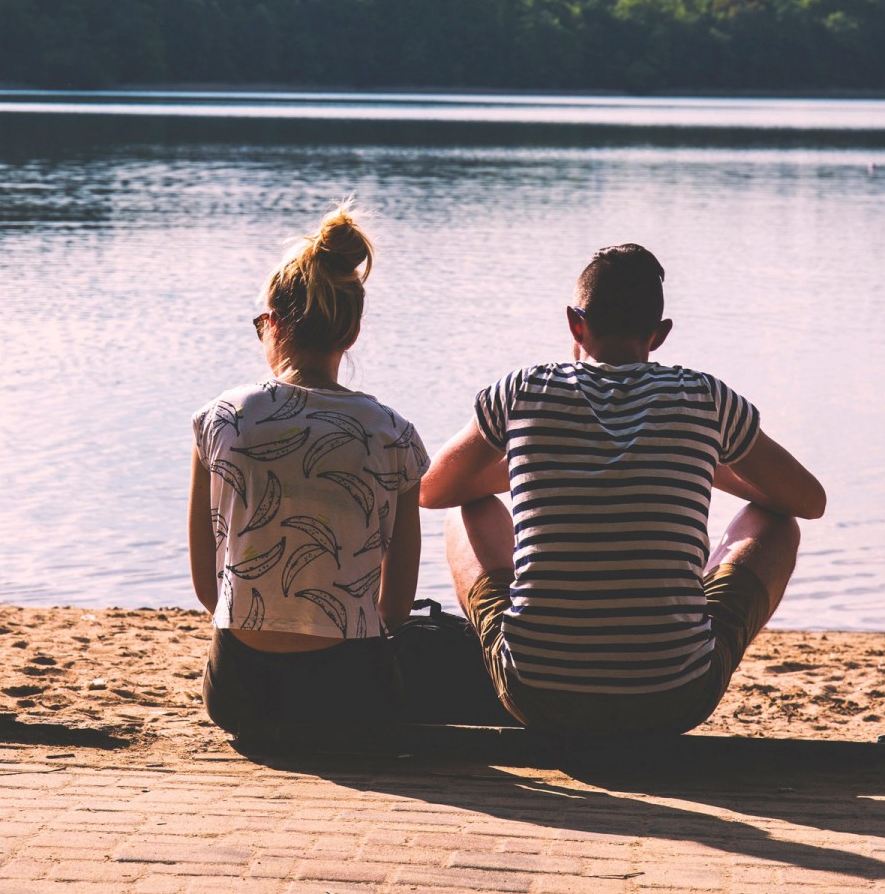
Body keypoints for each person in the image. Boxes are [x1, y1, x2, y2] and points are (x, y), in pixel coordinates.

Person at [420, 244, 826, 737]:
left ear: (575, 323)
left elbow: (434, 489)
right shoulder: (704, 398)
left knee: (466, 508)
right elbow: (808, 501)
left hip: (536, 693)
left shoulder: (523, 390)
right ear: (659, 335)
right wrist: (702, 456)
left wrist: (540, 456)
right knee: (776, 521)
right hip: (675, 697)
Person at [188, 201, 428, 735]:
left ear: (272, 325)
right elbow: (395, 607)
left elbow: (210, 590)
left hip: (239, 692)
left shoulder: (221, 418)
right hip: (351, 694)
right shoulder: (394, 433)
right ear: (352, 332)